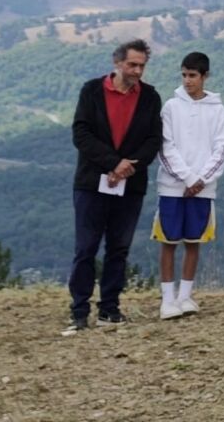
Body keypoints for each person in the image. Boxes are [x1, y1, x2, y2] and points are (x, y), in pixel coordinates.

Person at [65, 39, 164, 335]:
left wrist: (127, 167)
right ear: (117, 62)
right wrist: (113, 163)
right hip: (91, 183)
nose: (137, 71)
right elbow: (81, 133)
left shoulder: (150, 97)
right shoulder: (92, 91)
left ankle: (109, 309)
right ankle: (79, 311)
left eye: (142, 66)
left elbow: (153, 140)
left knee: (118, 249)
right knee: (86, 248)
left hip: (130, 186)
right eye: (132, 65)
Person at [154, 52, 224, 319]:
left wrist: (201, 180)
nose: (188, 81)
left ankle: (185, 296)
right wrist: (187, 178)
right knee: (168, 240)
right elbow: (165, 147)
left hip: (203, 188)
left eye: (193, 75)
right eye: (184, 75)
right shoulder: (171, 107)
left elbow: (221, 149)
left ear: (205, 76)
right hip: (172, 186)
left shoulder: (218, 109)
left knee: (193, 240)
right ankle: (167, 300)